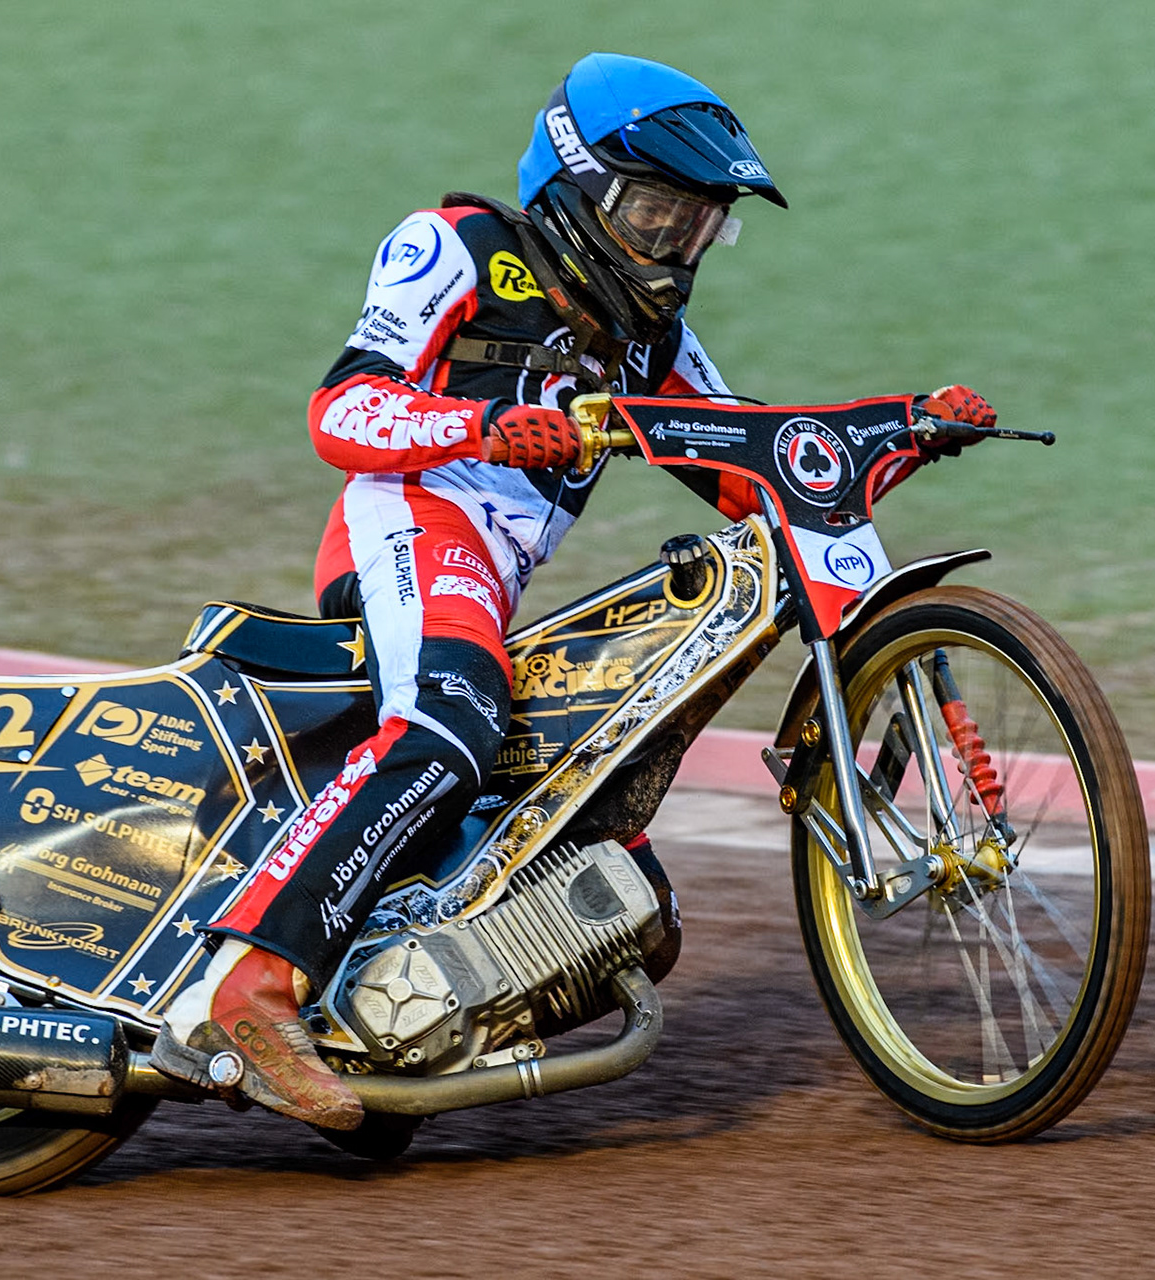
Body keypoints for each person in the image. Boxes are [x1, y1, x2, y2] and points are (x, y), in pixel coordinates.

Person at [153, 52, 996, 1130]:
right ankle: (249, 986)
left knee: (622, 882)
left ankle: (394, 1029)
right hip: (411, 522)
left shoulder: (655, 343)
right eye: (654, 213)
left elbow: (750, 463)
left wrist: (903, 429)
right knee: (452, 723)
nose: (674, 247)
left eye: (697, 225)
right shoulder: (456, 245)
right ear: (579, 188)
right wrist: (482, 426)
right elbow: (342, 412)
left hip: (491, 585)